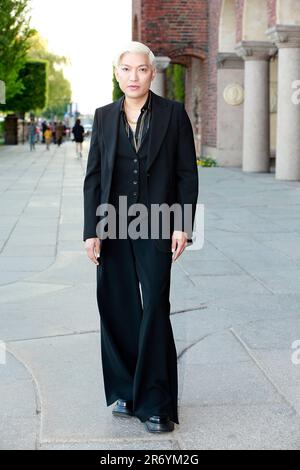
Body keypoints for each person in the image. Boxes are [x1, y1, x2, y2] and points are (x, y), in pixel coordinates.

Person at [83, 41, 198, 433]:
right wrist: (91, 232)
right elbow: (94, 178)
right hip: (112, 223)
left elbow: (186, 173)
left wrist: (182, 224)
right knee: (117, 308)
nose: (134, 77)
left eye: (141, 70)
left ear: (152, 73)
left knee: (155, 309)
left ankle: (156, 403)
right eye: (126, 69)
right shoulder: (102, 117)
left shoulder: (173, 114)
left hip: (158, 223)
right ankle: (127, 391)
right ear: (117, 73)